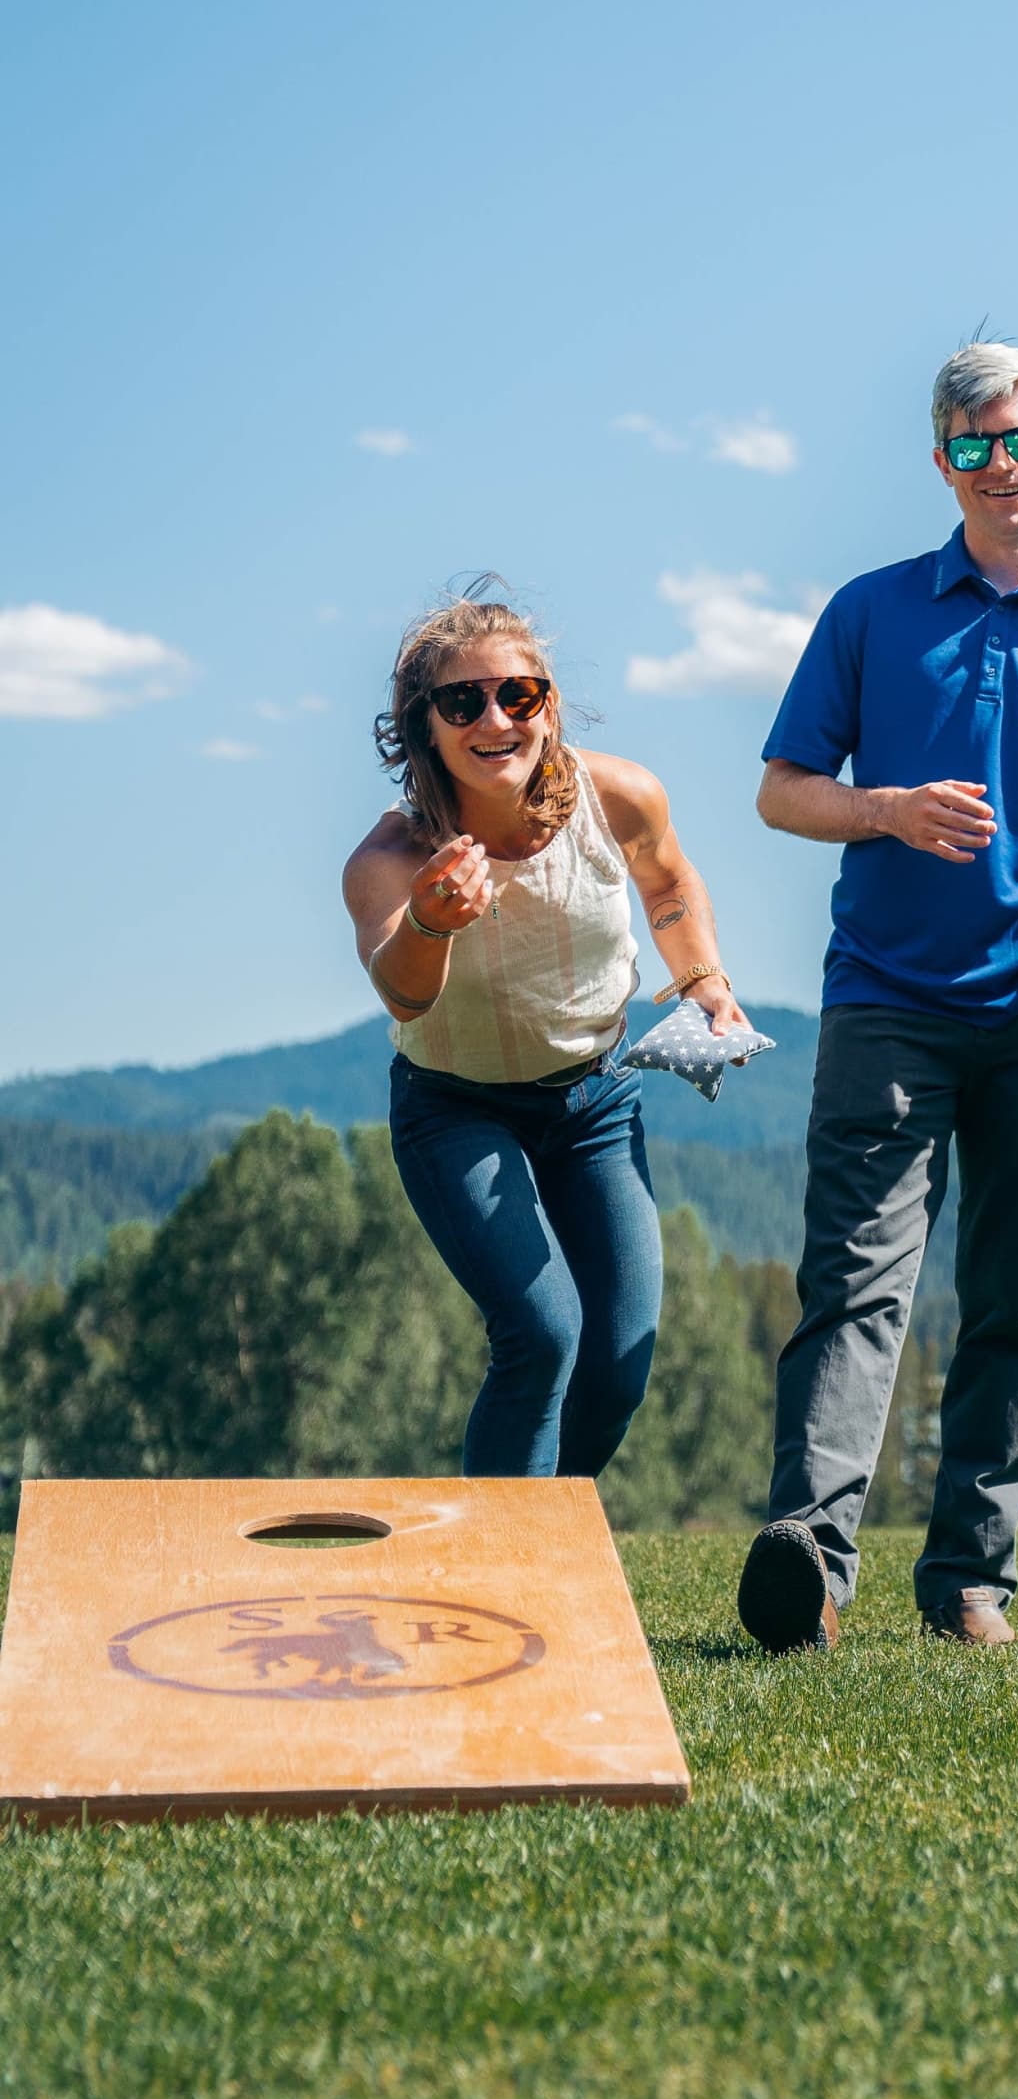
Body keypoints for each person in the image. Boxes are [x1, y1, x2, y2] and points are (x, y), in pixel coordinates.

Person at [736, 342, 1018, 1651]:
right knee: (855, 1288)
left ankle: (972, 1583)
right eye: (977, 447)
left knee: (1014, 1300)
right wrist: (884, 808)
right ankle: (807, 1572)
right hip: (884, 996)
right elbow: (781, 790)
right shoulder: (872, 614)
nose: (1005, 467)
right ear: (942, 463)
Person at [342, 584, 754, 1478]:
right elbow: (404, 996)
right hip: (456, 1111)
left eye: (518, 696)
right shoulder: (392, 860)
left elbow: (671, 886)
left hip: (597, 1100)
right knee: (541, 1335)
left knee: (618, 1356)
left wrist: (704, 977)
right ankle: (499, 1579)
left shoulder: (622, 795)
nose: (497, 719)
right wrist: (431, 923)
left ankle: (543, 1551)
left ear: (549, 706)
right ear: (425, 729)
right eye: (464, 702)